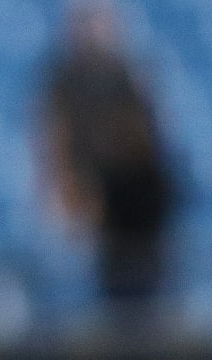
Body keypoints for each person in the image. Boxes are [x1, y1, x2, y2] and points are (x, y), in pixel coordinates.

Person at [43, 3, 175, 307]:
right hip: (84, 202)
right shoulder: (62, 80)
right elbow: (52, 139)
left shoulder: (129, 78)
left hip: (129, 217)